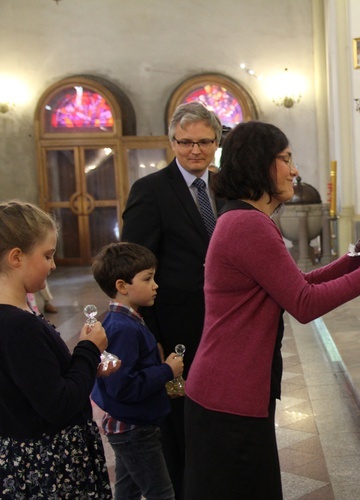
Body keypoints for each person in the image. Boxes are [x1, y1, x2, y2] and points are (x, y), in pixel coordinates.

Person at [183, 121, 360, 499]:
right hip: (229, 394)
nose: (294, 170)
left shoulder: (242, 219)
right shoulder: (248, 225)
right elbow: (305, 304)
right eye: (285, 159)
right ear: (258, 164)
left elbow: (298, 284)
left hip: (226, 389)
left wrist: (357, 259)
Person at [121, 101, 224, 498]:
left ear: (216, 142)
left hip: (221, 321)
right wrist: (150, 337)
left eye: (203, 142)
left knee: (214, 411)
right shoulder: (151, 191)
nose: (194, 150)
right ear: (172, 142)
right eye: (185, 142)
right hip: (175, 326)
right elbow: (134, 266)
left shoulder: (226, 186)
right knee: (178, 417)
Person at [0, 200, 113, 498]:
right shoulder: (18, 326)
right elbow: (58, 404)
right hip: (46, 464)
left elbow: (34, 382)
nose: (52, 265)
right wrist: (88, 351)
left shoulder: (17, 318)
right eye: (47, 255)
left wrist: (82, 366)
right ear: (16, 257)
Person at [91, 242, 185, 500]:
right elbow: (124, 386)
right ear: (122, 286)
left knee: (128, 490)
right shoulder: (123, 328)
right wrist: (167, 370)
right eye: (147, 278)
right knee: (161, 493)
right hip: (134, 428)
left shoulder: (123, 320)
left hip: (130, 424)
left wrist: (162, 387)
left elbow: (135, 374)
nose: (155, 285)